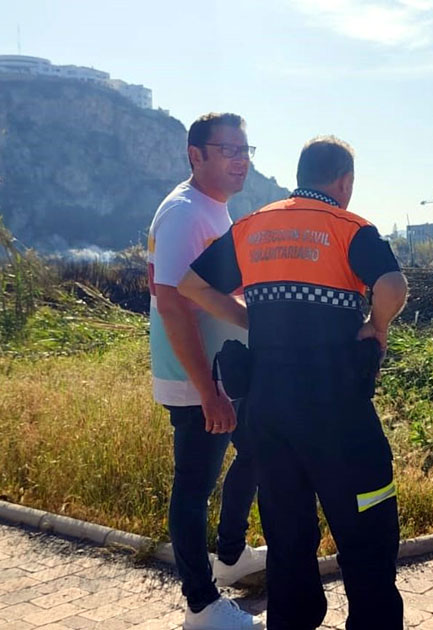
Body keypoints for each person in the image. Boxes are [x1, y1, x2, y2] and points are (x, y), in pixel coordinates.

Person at [179, 136, 408, 630]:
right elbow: (393, 286)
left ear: (301, 174)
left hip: (268, 410)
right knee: (367, 536)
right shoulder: (351, 227)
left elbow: (192, 285)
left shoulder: (253, 226)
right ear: (344, 181)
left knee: (287, 539)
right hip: (338, 411)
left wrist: (251, 321)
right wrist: (377, 325)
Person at [147, 112, 265, 629]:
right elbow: (172, 305)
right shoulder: (183, 213)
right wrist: (207, 392)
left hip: (222, 376)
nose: (242, 160)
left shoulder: (211, 210)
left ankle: (232, 554)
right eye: (229, 150)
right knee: (193, 488)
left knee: (258, 451)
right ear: (196, 155)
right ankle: (201, 604)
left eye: (245, 150)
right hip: (198, 380)